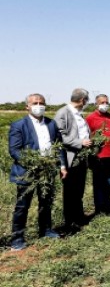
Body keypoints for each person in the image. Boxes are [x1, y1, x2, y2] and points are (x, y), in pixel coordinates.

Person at [8, 94, 66, 251]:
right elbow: (14, 150)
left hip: (48, 171)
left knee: (46, 202)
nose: (39, 105)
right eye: (35, 103)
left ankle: (46, 230)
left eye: (42, 103)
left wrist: (62, 166)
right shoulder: (19, 125)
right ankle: (17, 238)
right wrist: (34, 163)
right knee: (22, 206)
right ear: (27, 106)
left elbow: (58, 146)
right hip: (27, 171)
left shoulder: (51, 124)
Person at [55, 88, 92, 232]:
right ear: (83, 100)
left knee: (79, 189)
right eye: (86, 100)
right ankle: (69, 222)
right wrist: (80, 142)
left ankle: (79, 217)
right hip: (70, 157)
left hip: (82, 157)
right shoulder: (63, 113)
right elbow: (60, 136)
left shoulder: (79, 114)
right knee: (70, 191)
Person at [86, 94, 110, 215]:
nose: (105, 105)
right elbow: (87, 136)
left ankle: (107, 205)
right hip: (98, 156)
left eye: (106, 102)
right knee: (99, 183)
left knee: (109, 182)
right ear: (96, 104)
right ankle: (99, 209)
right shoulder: (90, 118)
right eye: (102, 102)